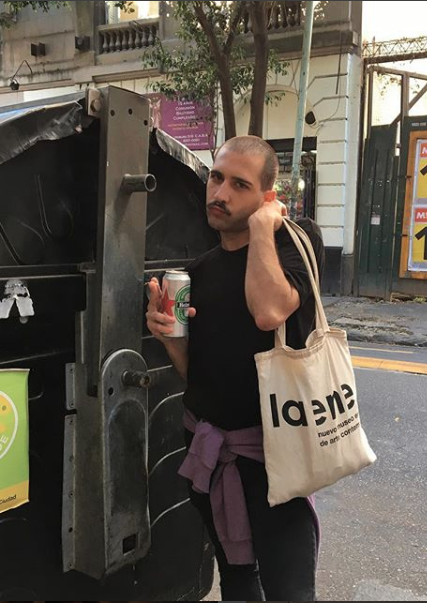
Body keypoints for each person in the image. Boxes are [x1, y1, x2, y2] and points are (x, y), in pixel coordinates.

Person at [146, 135, 325, 601]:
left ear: (268, 196)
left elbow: (270, 312)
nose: (219, 194)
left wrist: (265, 228)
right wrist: (169, 337)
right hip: (211, 452)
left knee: (290, 592)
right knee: (237, 579)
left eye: (239, 185)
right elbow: (196, 376)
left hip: (275, 458)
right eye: (216, 177)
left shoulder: (294, 243)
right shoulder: (199, 272)